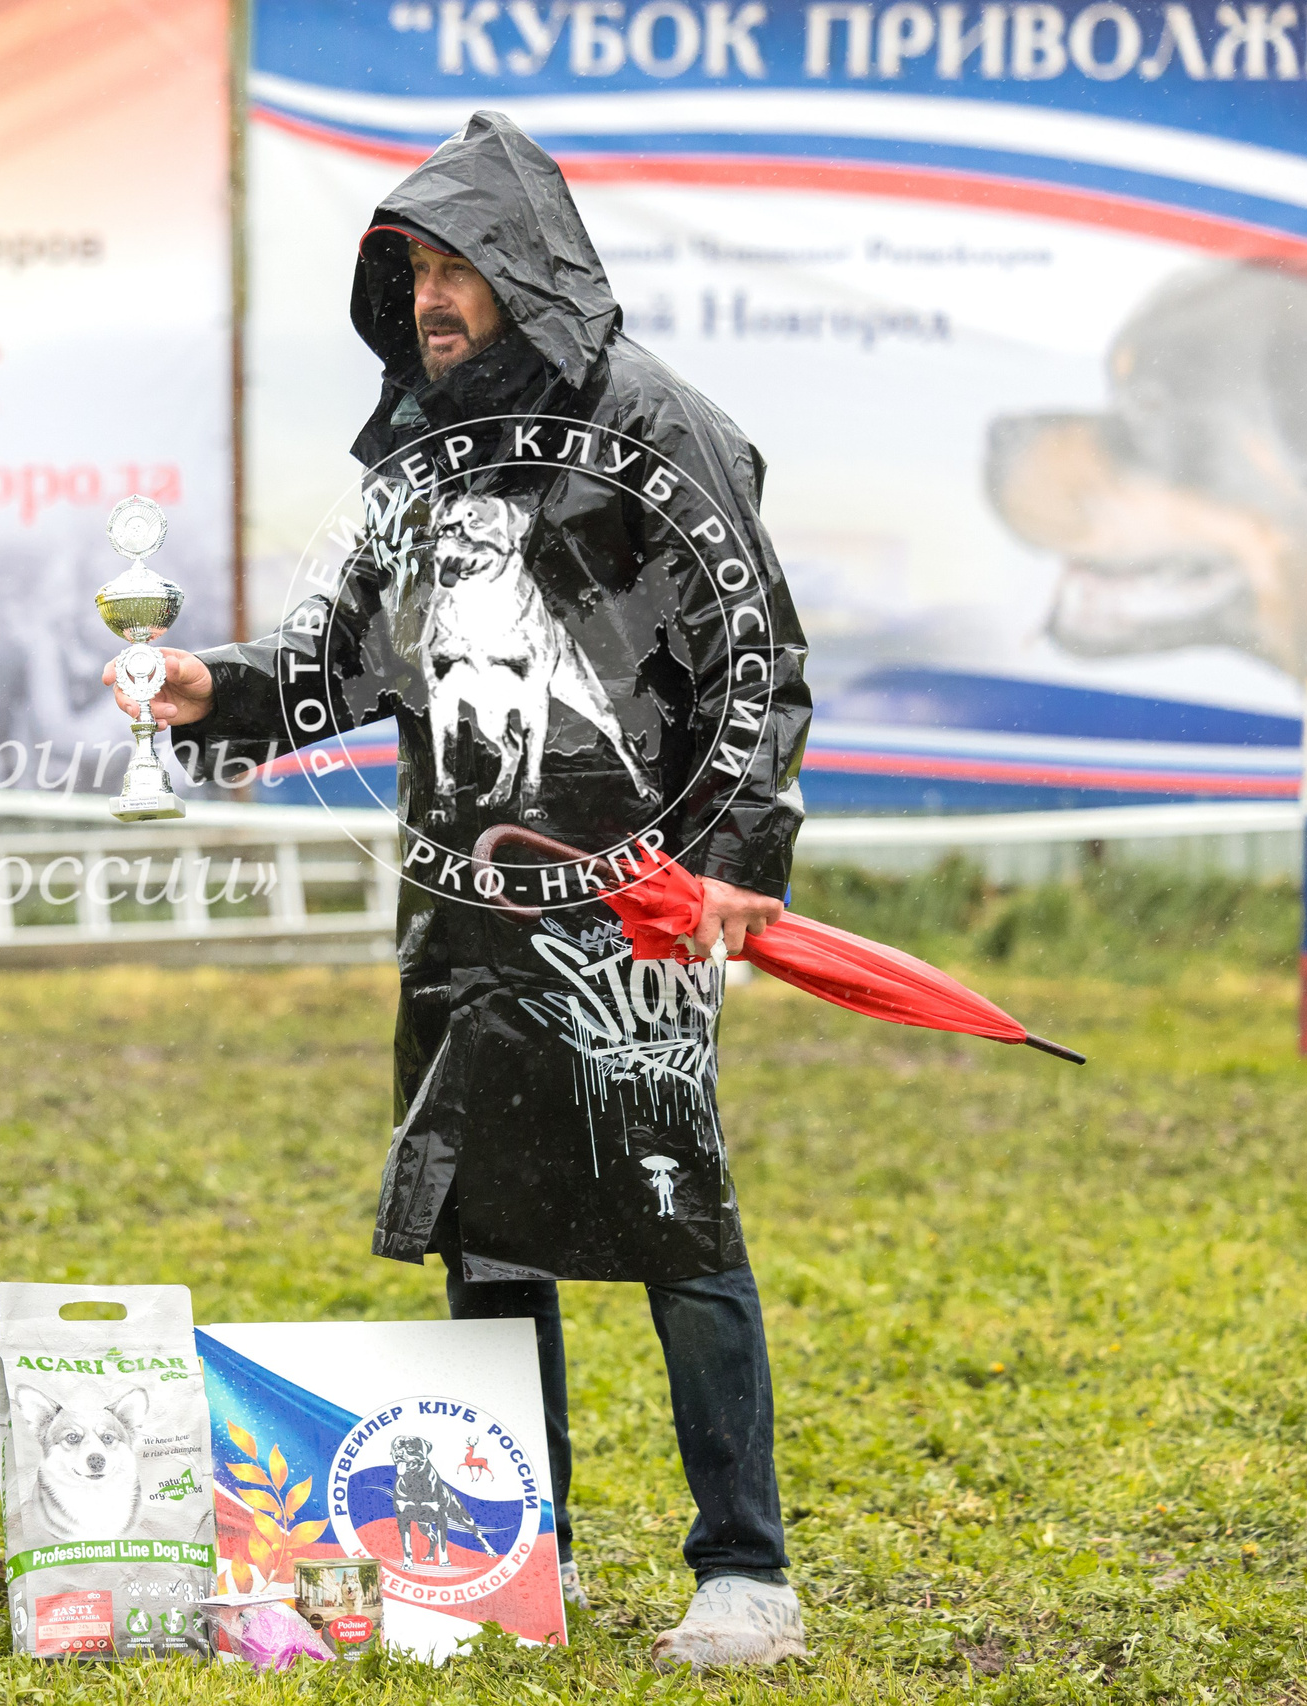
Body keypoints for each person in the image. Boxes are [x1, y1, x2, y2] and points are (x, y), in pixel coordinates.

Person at [113, 115, 814, 1668]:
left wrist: (734, 858)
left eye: (458, 266)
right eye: (412, 270)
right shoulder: (421, 458)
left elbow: (757, 654)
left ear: (530, 270)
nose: (432, 296)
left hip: (630, 905)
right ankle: (519, 1557)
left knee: (671, 1207)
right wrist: (201, 689)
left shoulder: (655, 424)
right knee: (486, 1225)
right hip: (461, 913)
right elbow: (341, 664)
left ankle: (745, 1569)